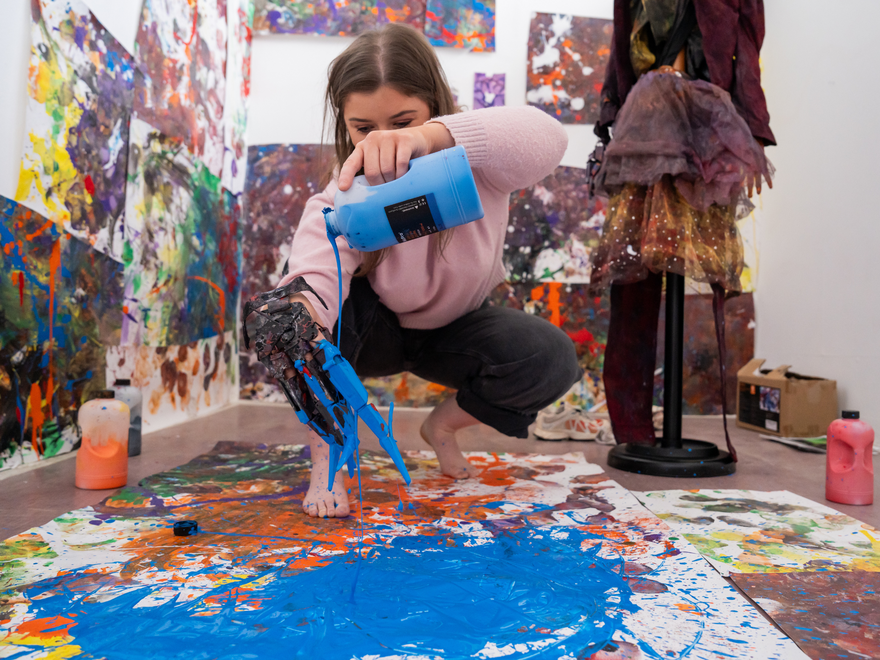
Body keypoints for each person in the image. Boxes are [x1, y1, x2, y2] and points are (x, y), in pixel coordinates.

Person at [275, 24, 580, 518]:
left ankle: (440, 428)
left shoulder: (481, 163)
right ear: (345, 125)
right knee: (307, 321)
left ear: (433, 106)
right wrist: (300, 317)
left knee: (551, 357)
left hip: (455, 329)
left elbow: (548, 136)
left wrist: (430, 138)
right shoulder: (341, 193)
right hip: (377, 332)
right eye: (364, 129)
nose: (382, 144)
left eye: (402, 120)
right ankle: (327, 460)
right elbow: (313, 271)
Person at [589, 0, 774, 451]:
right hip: (648, 121)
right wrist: (610, 119)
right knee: (635, 271)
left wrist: (754, 131)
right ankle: (632, 427)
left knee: (708, 260)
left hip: (707, 125)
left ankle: (651, 427)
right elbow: (620, 47)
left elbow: (747, 50)